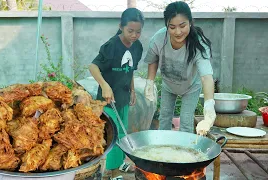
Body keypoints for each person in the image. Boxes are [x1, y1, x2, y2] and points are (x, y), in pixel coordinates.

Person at [144, 1, 216, 135]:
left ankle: (185, 152)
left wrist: (209, 106)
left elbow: (206, 77)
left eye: (182, 26)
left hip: (191, 87)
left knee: (186, 121)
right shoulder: (159, 39)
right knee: (164, 117)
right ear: (166, 26)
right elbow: (153, 60)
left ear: (190, 22)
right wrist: (149, 82)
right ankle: (161, 149)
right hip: (168, 85)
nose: (178, 32)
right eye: (172, 27)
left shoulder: (199, 43)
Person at [88, 8, 144, 179]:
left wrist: (133, 90)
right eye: (130, 31)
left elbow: (130, 70)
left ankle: (119, 164)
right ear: (121, 26)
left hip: (123, 98)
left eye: (138, 32)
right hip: (107, 100)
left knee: (122, 132)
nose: (134, 35)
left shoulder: (137, 47)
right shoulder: (111, 45)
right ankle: (113, 173)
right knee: (112, 134)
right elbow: (93, 66)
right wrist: (104, 85)